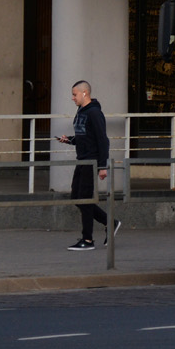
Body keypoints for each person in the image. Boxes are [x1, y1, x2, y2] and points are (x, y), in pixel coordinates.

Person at [55, 80, 120, 251]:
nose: (72, 98)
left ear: (85, 93)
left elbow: (102, 141)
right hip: (82, 159)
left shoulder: (94, 113)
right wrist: (69, 139)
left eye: (75, 94)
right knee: (77, 197)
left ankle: (88, 239)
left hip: (91, 161)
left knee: (84, 198)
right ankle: (110, 222)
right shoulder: (81, 112)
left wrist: (102, 166)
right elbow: (84, 137)